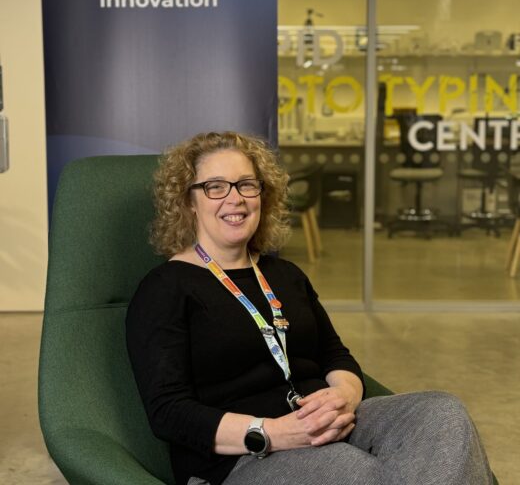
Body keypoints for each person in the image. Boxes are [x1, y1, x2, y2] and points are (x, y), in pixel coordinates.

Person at [126, 131, 493, 485]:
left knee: (442, 413)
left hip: (329, 424)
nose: (235, 198)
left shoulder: (286, 275)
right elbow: (169, 412)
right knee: (355, 472)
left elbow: (335, 355)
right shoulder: (166, 288)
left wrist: (344, 397)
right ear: (189, 202)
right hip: (243, 457)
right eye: (216, 187)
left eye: (246, 184)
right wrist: (272, 433)